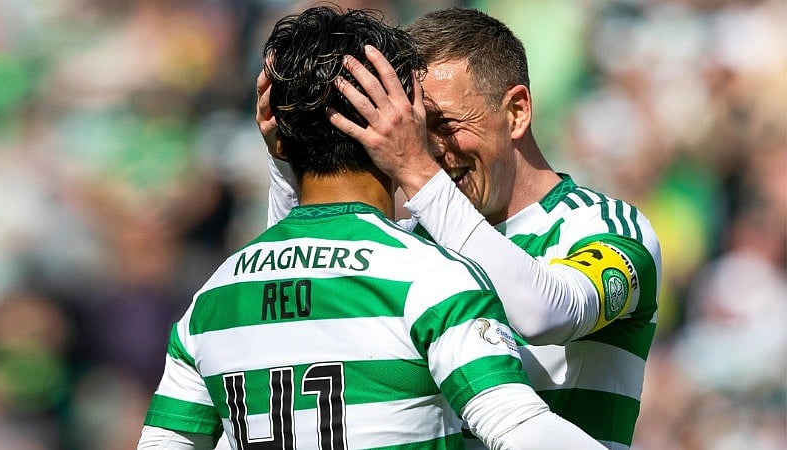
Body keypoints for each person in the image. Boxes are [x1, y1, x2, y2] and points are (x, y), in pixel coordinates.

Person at [139, 6, 603, 449]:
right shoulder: (432, 280)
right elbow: (519, 428)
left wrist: (284, 160)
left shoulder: (211, 302)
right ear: (394, 128)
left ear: (279, 134)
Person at [260, 7, 661, 450]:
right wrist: (288, 163)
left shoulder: (602, 227)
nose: (426, 149)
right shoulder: (416, 240)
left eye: (444, 125)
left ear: (516, 112)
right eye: (412, 129)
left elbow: (545, 314)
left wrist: (415, 172)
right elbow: (314, 315)